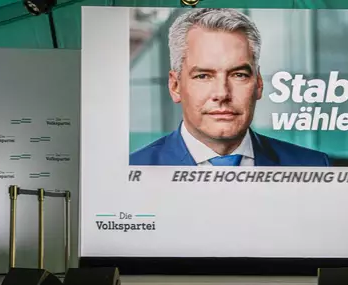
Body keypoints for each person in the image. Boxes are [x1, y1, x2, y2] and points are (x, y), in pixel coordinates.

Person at [130, 8, 330, 167]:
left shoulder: (312, 165)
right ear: (175, 86)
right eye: (203, 76)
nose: (222, 94)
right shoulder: (134, 168)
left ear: (258, 83)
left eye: (238, 75)